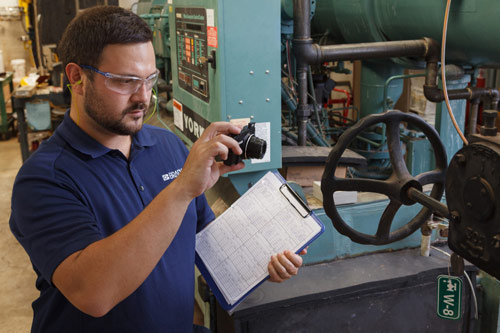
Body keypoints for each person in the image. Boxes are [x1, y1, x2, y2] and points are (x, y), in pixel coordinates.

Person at [9, 5, 305, 332]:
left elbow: (205, 241)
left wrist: (264, 257)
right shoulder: (44, 179)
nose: (143, 97)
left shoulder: (167, 147)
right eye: (125, 82)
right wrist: (180, 190)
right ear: (77, 78)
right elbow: (93, 292)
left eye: (150, 79)